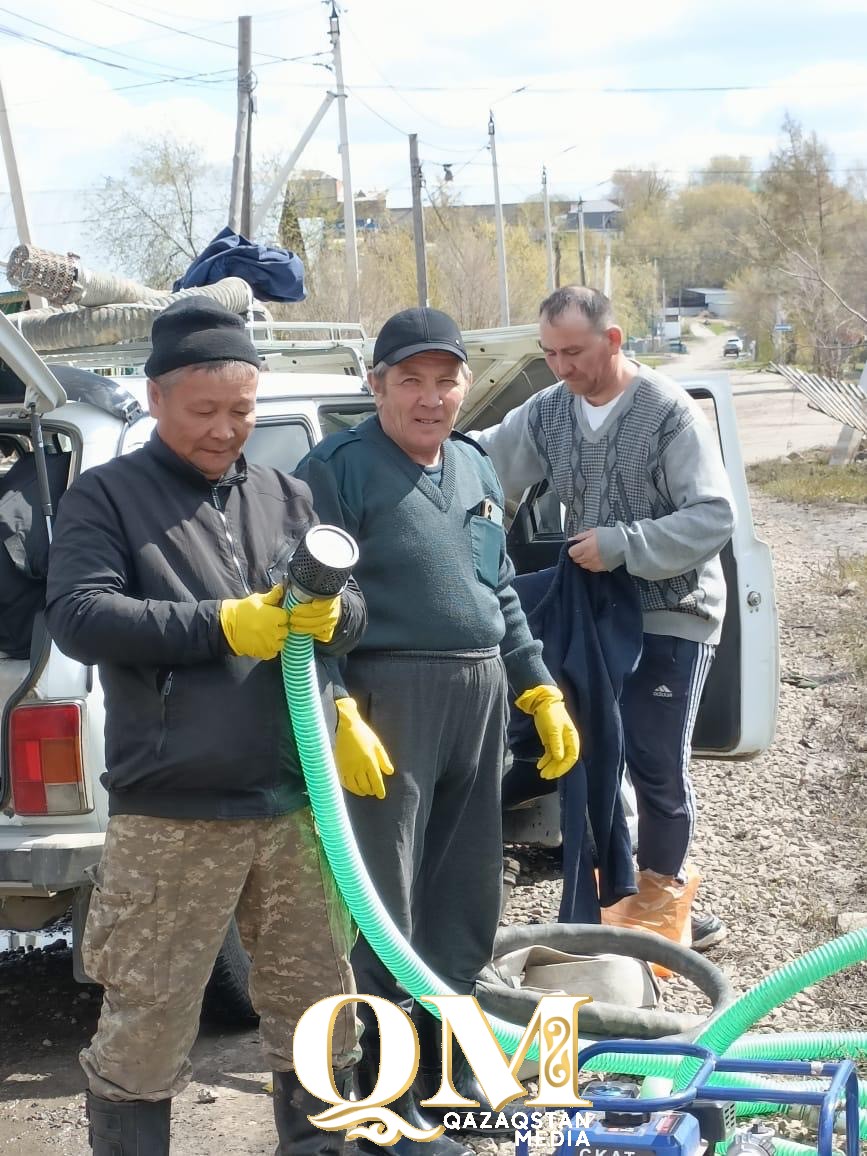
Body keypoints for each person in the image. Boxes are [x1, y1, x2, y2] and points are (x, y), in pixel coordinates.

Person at [45, 297, 367, 1156]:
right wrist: (220, 625)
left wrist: (334, 641)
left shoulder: (285, 492)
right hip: (173, 812)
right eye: (206, 412)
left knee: (316, 1014)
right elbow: (80, 616)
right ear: (155, 400)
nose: (227, 430)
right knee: (147, 1019)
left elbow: (347, 606)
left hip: (294, 805)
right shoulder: (105, 498)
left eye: (243, 410)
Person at [294, 306, 580, 1155]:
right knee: (387, 902)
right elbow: (306, 602)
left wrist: (537, 690)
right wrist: (337, 705)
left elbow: (496, 590)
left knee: (462, 898)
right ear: (376, 386)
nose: (429, 398)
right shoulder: (336, 469)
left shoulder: (473, 465)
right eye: (409, 381)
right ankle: (380, 1102)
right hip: (388, 700)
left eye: (444, 380)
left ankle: (445, 1081)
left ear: (463, 386)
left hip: (479, 696)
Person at [475, 286, 735, 951]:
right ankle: (609, 900)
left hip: (672, 610)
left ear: (613, 341)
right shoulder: (548, 411)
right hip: (593, 614)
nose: (560, 367)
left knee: (655, 763)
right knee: (592, 758)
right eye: (549, 354)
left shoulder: (668, 415)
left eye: (573, 352)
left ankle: (659, 908)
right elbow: (486, 472)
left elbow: (712, 517)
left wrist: (622, 544)